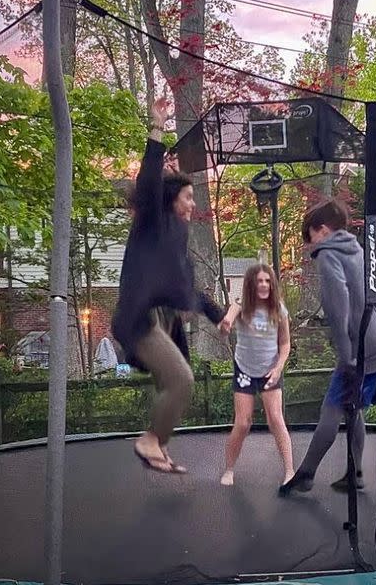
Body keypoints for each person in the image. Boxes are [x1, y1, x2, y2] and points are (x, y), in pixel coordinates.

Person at [112, 97, 225, 473]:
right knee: (181, 380)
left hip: (162, 320)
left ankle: (156, 445)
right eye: (188, 197)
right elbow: (148, 180)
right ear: (170, 199)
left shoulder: (177, 237)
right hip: (140, 318)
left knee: (175, 384)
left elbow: (191, 288)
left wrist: (218, 316)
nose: (193, 204)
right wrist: (157, 130)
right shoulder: (153, 221)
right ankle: (151, 441)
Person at [279, 198, 376, 496]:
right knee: (353, 409)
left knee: (331, 410)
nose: (310, 247)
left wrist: (346, 357)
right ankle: (355, 473)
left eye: (310, 238)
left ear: (321, 230)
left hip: (360, 348)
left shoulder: (329, 254)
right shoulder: (358, 250)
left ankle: (305, 474)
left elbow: (338, 306)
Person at [219, 263, 294, 486]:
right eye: (259, 281)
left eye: (267, 281)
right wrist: (225, 324)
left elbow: (285, 343)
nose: (263, 284)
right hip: (245, 370)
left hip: (270, 369)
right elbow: (228, 320)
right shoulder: (242, 306)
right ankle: (229, 470)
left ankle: (290, 471)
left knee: (276, 419)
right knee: (243, 422)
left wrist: (279, 367)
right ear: (252, 284)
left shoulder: (279, 309)